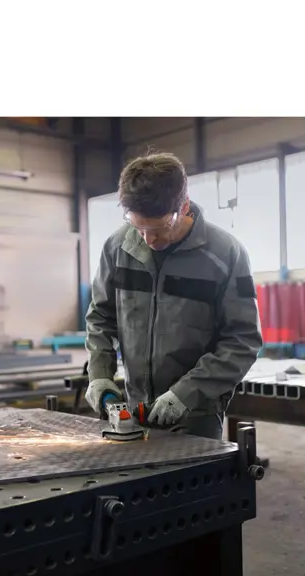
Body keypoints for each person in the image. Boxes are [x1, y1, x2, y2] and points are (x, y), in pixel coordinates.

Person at [84, 152, 263, 440]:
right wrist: (100, 374)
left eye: (158, 228)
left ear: (184, 206)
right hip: (134, 409)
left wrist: (185, 394)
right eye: (138, 227)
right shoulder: (117, 248)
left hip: (196, 414)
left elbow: (242, 340)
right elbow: (100, 318)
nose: (148, 239)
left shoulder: (226, 254)